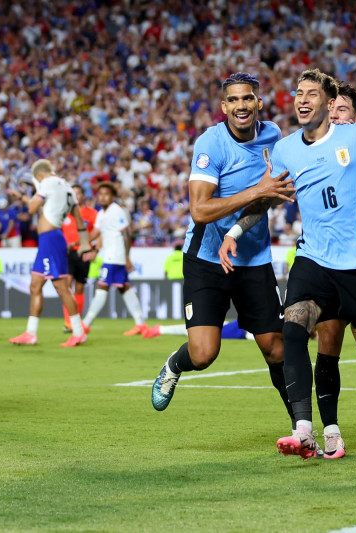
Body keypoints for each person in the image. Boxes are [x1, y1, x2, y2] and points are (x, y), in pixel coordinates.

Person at [221, 70, 356, 460]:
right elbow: (269, 195)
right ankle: (304, 428)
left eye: (311, 93)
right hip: (312, 258)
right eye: (298, 93)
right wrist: (235, 231)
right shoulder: (286, 149)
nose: (302, 99)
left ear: (327, 100)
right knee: (293, 329)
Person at [148, 72, 298, 442]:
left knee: (275, 349)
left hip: (254, 258)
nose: (241, 106)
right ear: (224, 107)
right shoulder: (210, 143)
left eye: (248, 98)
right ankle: (173, 365)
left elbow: (270, 195)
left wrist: (252, 206)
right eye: (233, 100)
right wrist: (255, 191)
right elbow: (199, 211)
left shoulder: (273, 136)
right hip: (205, 259)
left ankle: (301, 427)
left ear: (258, 102)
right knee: (203, 354)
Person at [8, 159, 93, 347]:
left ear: (39, 175)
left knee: (62, 287)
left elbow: (31, 209)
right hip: (52, 239)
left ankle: (78, 332)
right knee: (35, 284)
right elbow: (79, 221)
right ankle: (31, 333)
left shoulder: (46, 183)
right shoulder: (68, 188)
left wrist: (26, 197)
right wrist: (85, 244)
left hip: (51, 240)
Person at [81, 182, 149, 335]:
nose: (103, 197)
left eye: (106, 194)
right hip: (111, 255)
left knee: (102, 288)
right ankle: (140, 324)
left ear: (112, 196)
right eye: (101, 194)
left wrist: (126, 256)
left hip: (115, 256)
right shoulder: (101, 213)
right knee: (124, 288)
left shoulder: (116, 211)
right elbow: (95, 234)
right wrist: (80, 243)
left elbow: (127, 233)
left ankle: (85, 324)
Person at [60, 183, 98, 333]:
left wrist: (94, 250)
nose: (76, 196)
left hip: (83, 253)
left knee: (80, 287)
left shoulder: (91, 213)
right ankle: (68, 321)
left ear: (83, 195)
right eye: (73, 193)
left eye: (78, 193)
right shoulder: (64, 213)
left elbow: (98, 232)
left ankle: (76, 319)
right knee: (67, 285)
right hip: (67, 253)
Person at [142, 320, 254, 340]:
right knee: (199, 331)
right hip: (242, 329)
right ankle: (160, 329)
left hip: (244, 327)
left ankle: (160, 329)